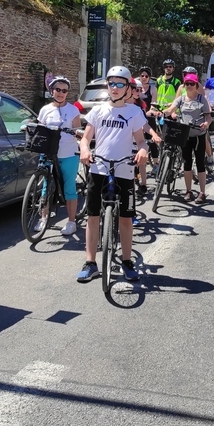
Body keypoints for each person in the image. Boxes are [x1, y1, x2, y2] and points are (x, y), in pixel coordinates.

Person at [77, 65, 149, 283]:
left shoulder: (134, 112)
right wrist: (85, 149)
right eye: (111, 83)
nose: (115, 88)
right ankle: (90, 263)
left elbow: (141, 140)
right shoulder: (98, 110)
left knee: (126, 219)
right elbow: (85, 138)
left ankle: (127, 261)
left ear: (128, 87)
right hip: (98, 167)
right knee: (92, 216)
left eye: (120, 84)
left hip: (124, 169)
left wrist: (144, 149)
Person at [37, 75, 82, 235]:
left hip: (68, 153)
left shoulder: (73, 110)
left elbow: (78, 130)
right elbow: (39, 130)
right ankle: (43, 219)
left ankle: (71, 222)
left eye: (64, 91)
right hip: (49, 153)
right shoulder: (45, 110)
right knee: (45, 187)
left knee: (69, 188)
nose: (61, 93)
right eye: (58, 90)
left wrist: (78, 133)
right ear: (52, 91)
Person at [165, 73, 211, 204]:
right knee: (187, 163)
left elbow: (208, 116)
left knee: (200, 163)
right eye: (187, 84)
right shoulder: (181, 99)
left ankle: (202, 192)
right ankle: (188, 191)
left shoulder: (202, 99)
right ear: (184, 86)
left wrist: (206, 123)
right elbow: (171, 109)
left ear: (196, 85)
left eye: (192, 84)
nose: (189, 86)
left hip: (198, 135)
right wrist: (163, 113)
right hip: (185, 136)